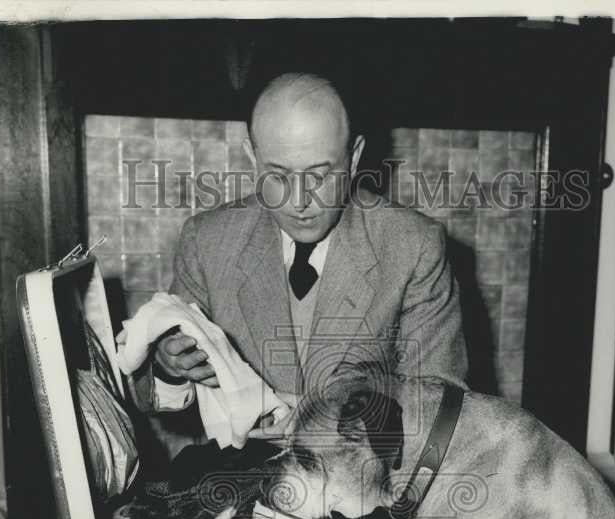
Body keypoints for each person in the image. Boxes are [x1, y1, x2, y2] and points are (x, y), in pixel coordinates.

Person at [128, 71, 468, 457]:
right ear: (252, 158)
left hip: (362, 489)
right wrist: (171, 369)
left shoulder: (414, 246)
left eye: (319, 176)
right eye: (278, 175)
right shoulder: (207, 240)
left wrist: (324, 419)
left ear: (354, 158)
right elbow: (161, 399)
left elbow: (442, 405)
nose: (299, 200)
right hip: (240, 480)